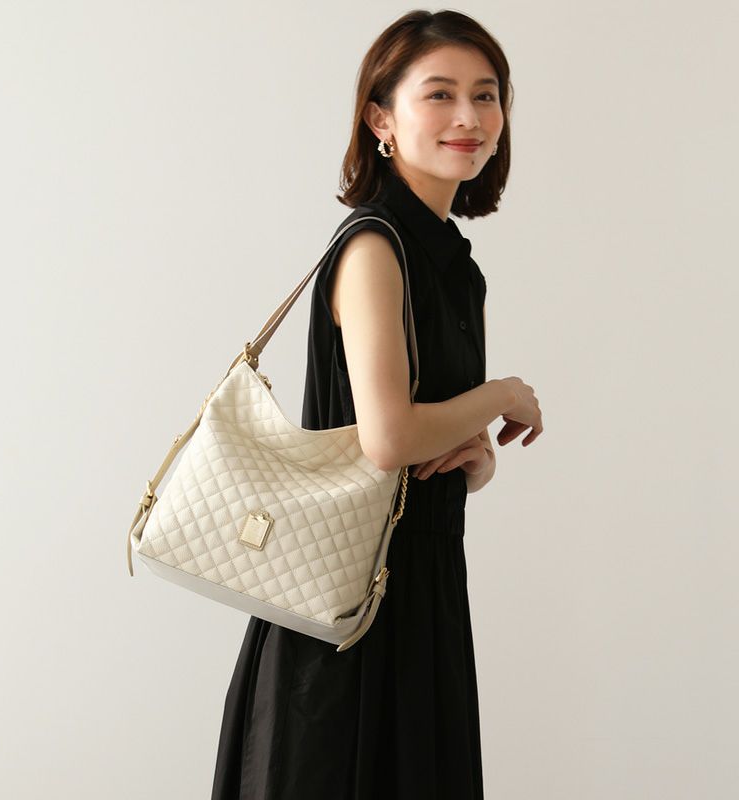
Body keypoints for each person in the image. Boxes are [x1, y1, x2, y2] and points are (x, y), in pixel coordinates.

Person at [210, 9, 543, 799]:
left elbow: (425, 442)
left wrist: (475, 461)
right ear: (380, 118)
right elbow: (389, 438)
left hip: (422, 588)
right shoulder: (372, 246)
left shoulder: (456, 267)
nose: (470, 117)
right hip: (344, 610)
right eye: (440, 94)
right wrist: (502, 396)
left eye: (486, 95)